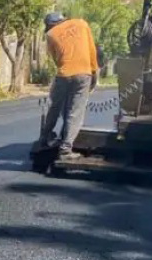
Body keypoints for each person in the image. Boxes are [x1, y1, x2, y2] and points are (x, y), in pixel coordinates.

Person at [40, 13, 99, 160]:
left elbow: (56, 59)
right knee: (75, 112)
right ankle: (65, 150)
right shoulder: (81, 23)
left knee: (55, 107)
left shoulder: (50, 34)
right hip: (83, 74)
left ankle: (44, 138)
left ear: (50, 25)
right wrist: (94, 75)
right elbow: (92, 52)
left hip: (63, 74)